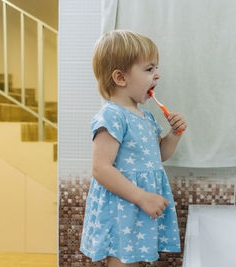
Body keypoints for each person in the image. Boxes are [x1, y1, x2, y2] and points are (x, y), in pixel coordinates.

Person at [80, 29, 187, 267]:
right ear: (120, 78)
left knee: (135, 262)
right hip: (122, 207)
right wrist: (142, 197)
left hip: (137, 207)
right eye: (149, 69)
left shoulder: (145, 117)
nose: (157, 75)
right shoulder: (112, 116)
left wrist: (174, 135)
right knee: (121, 262)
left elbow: (158, 156)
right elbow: (101, 169)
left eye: (155, 68)